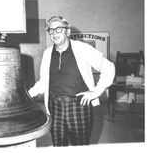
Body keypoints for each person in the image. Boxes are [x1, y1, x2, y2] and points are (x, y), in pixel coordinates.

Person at [28, 15, 115, 146]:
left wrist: (95, 92)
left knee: (80, 146)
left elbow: (109, 67)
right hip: (54, 108)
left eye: (58, 29)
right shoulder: (47, 53)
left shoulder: (82, 49)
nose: (54, 33)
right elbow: (44, 81)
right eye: (51, 30)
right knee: (58, 146)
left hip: (79, 107)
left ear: (68, 31)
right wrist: (28, 94)